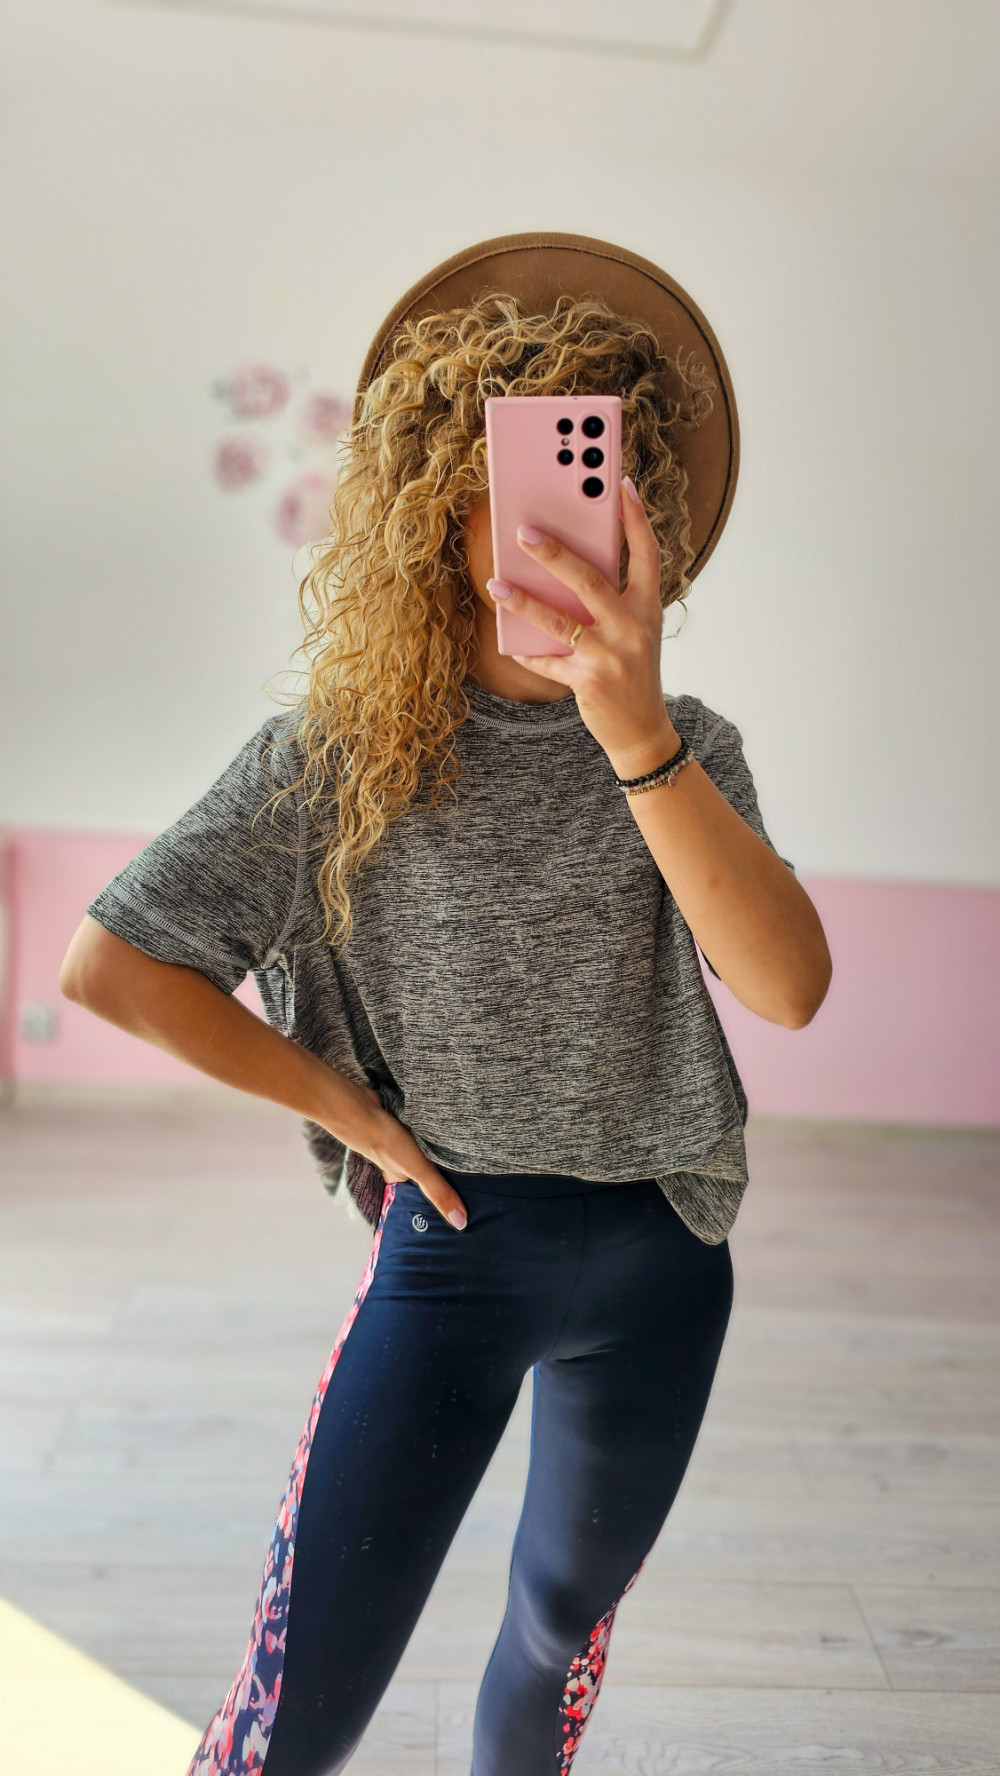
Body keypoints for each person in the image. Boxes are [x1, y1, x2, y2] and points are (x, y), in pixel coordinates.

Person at [60, 233, 831, 1776]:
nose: (570, 517)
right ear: (441, 499)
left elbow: (790, 988)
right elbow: (114, 963)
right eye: (532, 468)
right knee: (296, 1718)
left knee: (552, 1639)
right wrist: (341, 1107)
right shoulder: (336, 758)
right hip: (454, 1254)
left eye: (605, 474)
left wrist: (637, 730)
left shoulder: (692, 749)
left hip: (667, 1261)